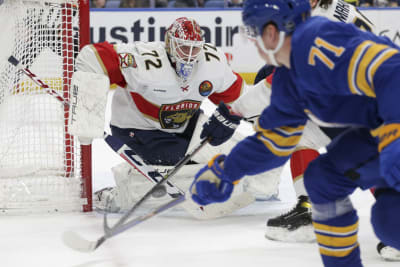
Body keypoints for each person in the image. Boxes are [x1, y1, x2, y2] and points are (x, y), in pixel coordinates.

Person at [190, 0, 400, 266]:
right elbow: (273, 143)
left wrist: (395, 135)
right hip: (371, 129)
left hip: (390, 122)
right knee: (326, 180)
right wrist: (227, 172)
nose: (255, 43)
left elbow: (392, 71)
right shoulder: (292, 77)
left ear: (274, 31)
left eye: (257, 33)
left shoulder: (320, 38)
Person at [74, 17, 279, 216]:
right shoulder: (145, 60)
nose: (190, 56)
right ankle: (123, 195)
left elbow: (240, 99)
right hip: (140, 130)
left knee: (257, 161)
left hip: (187, 125)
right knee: (185, 174)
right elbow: (91, 56)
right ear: (170, 45)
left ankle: (249, 187)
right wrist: (86, 112)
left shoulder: (212, 63)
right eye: (184, 48)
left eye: (194, 48)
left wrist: (266, 119)